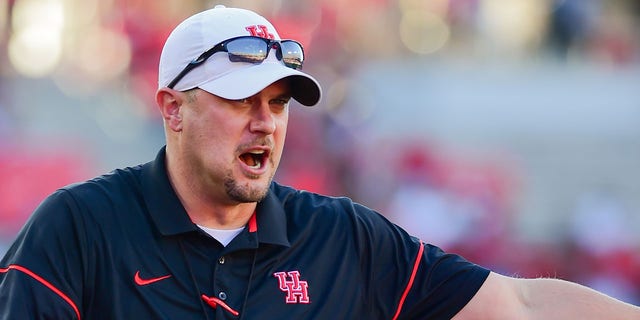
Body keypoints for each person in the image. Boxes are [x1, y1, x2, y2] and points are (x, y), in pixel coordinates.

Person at [1, 5, 639, 320]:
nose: (266, 121)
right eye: (239, 99)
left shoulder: (344, 239)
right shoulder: (78, 228)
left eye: (278, 102)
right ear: (172, 109)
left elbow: (520, 305)